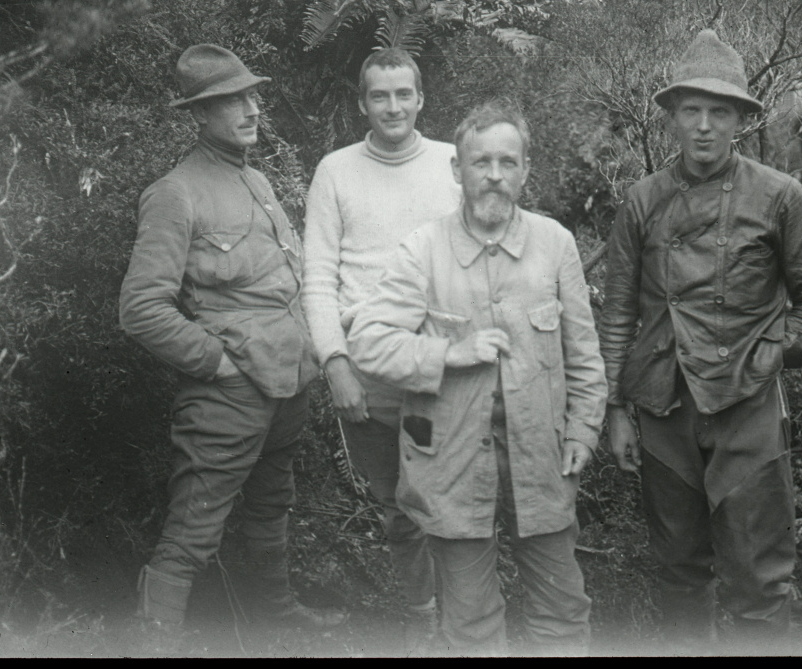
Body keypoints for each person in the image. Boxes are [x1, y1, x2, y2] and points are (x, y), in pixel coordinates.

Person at [597, 29, 802, 653]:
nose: (704, 126)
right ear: (673, 117)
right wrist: (616, 409)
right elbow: (620, 311)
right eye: (691, 111)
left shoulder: (779, 196)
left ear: (740, 120)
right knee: (678, 573)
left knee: (759, 583)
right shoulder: (642, 200)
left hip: (748, 409)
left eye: (719, 112)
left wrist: (774, 352)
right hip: (664, 408)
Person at [347, 99, 607, 656]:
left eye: (507, 162)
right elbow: (368, 342)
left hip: (541, 460)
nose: (494, 175)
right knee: (469, 627)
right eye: (480, 162)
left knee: (562, 614)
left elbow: (585, 355)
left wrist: (584, 431)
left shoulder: (556, 244)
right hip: (451, 465)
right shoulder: (422, 250)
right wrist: (451, 352)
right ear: (456, 170)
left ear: (526, 169)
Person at [119, 44, 346, 650]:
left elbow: (286, 285)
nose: (250, 109)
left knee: (273, 504)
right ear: (200, 113)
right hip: (229, 392)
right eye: (232, 100)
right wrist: (219, 364)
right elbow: (141, 308)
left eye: (252, 95)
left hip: (290, 382)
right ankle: (155, 637)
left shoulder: (258, 179)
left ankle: (275, 616)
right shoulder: (175, 192)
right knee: (195, 523)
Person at [302, 47, 460, 650]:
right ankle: (422, 619)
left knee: (455, 498)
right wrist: (335, 363)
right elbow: (317, 277)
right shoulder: (335, 171)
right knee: (400, 507)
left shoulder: (453, 162)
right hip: (369, 374)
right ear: (362, 103)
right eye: (379, 96)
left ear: (420, 98)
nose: (392, 107)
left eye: (403, 94)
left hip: (445, 371)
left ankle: (465, 615)